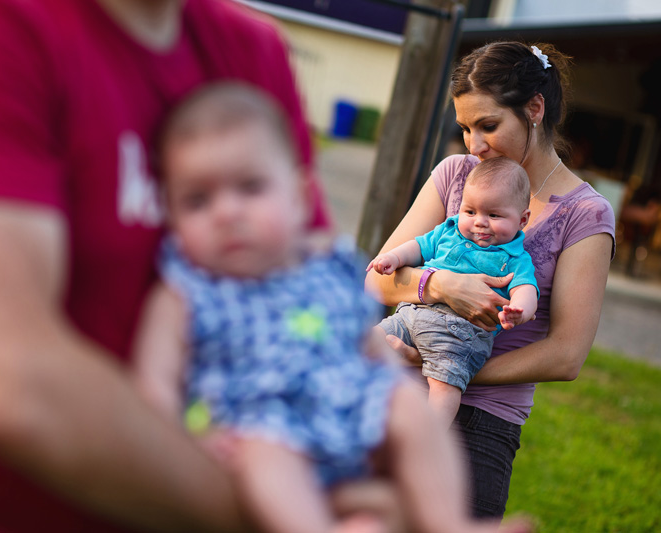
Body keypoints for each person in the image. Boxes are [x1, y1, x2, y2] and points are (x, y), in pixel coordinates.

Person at [0, 0, 342, 530]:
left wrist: (368, 479)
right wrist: (280, 509)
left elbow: (316, 297)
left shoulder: (251, 51)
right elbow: (8, 383)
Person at [133, 81, 530, 533]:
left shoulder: (323, 262)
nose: (227, 212)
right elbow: (156, 385)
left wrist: (387, 371)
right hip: (261, 421)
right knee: (264, 455)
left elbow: (363, 337)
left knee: (406, 403)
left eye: (250, 187)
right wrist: (188, 441)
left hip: (349, 407)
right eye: (197, 200)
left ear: (300, 198)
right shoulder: (186, 290)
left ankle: (445, 522)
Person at [365, 41, 616, 520]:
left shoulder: (585, 215)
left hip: (484, 421)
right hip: (393, 388)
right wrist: (437, 286)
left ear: (534, 109)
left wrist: (444, 370)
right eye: (464, 128)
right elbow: (377, 279)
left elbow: (566, 355)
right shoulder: (455, 176)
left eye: (488, 126)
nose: (473, 145)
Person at [367, 157, 539, 427]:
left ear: (522, 219)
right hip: (411, 314)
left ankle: (432, 437)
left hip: (459, 335)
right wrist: (393, 258)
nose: (479, 222)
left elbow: (526, 288)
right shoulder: (448, 230)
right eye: (470, 211)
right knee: (366, 342)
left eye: (493, 215)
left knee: (445, 384)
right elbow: (418, 247)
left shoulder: (514, 258)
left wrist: (520, 310)